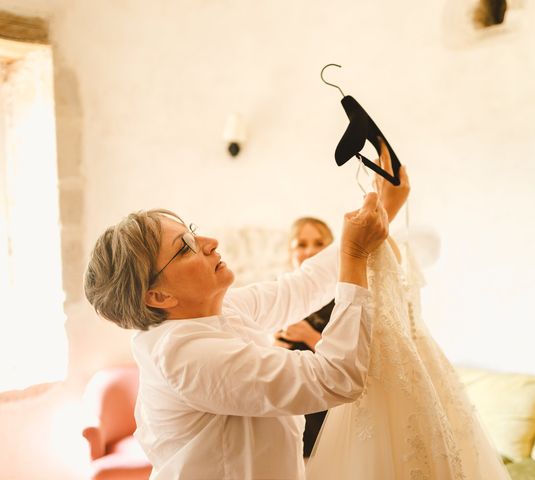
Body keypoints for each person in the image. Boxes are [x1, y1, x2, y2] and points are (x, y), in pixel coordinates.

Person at [83, 167, 409, 479]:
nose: (209, 242)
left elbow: (302, 287)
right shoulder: (184, 356)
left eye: (192, 232)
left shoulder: (218, 311)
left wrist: (382, 212)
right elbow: (336, 378)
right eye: (185, 248)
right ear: (158, 296)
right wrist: (354, 255)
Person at [273, 216, 335, 457]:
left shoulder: (343, 297)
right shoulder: (279, 298)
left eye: (319, 243)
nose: (310, 251)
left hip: (331, 411)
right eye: (301, 244)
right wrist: (274, 346)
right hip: (291, 407)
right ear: (290, 252)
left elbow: (357, 362)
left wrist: (310, 336)